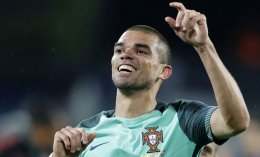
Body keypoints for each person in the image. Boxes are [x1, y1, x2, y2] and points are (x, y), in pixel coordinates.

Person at [49, 2, 250, 157]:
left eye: (141, 51)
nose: (125, 54)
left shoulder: (183, 120)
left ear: (164, 72)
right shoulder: (85, 133)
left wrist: (204, 46)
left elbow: (237, 121)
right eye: (119, 50)